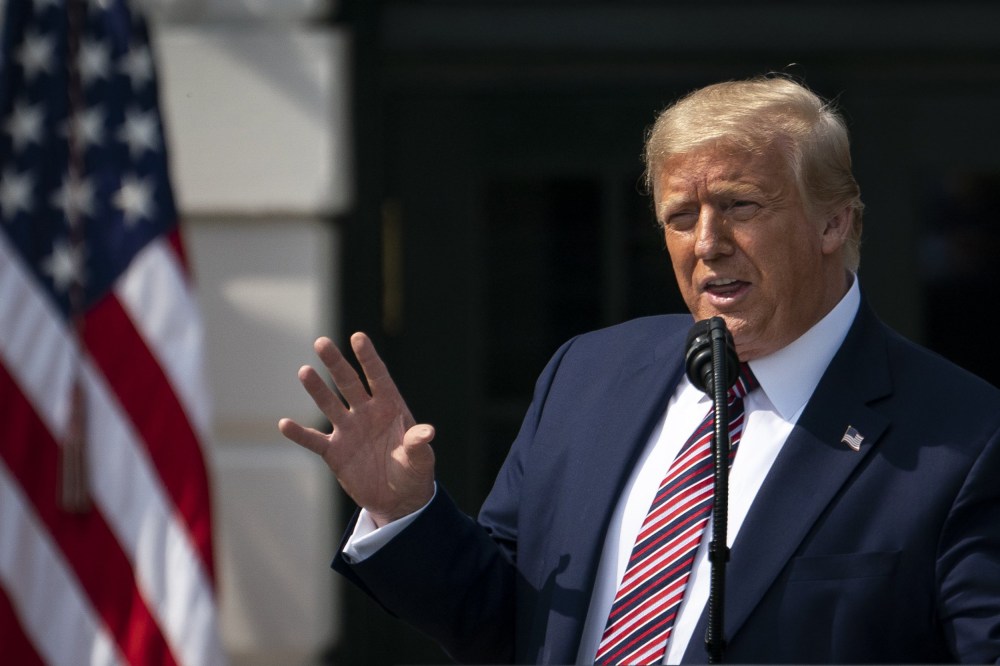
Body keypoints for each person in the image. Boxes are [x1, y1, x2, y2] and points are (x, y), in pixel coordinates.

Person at [278, 76, 1000, 664]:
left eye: (740, 206)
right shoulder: (588, 373)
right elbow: (512, 622)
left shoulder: (963, 438)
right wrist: (406, 514)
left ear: (834, 222)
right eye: (680, 217)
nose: (708, 243)